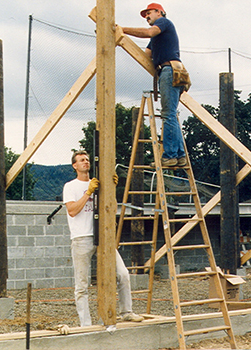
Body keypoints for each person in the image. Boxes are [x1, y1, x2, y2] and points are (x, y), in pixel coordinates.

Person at [63, 150, 143, 326]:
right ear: (74, 165)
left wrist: (110, 188)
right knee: (82, 285)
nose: (86, 162)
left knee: (122, 274)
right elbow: (72, 210)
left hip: (103, 235)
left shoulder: (98, 183)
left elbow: (111, 208)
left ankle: (126, 311)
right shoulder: (71, 186)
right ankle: (86, 324)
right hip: (81, 237)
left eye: (87, 159)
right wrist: (88, 193)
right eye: (82, 160)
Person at [122, 2, 186, 167]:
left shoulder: (164, 23)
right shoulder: (156, 38)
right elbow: (146, 55)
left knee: (168, 114)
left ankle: (170, 156)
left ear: (159, 12)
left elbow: (148, 32)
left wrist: (122, 30)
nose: (146, 17)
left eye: (148, 13)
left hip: (169, 71)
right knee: (170, 114)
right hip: (170, 71)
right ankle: (179, 156)